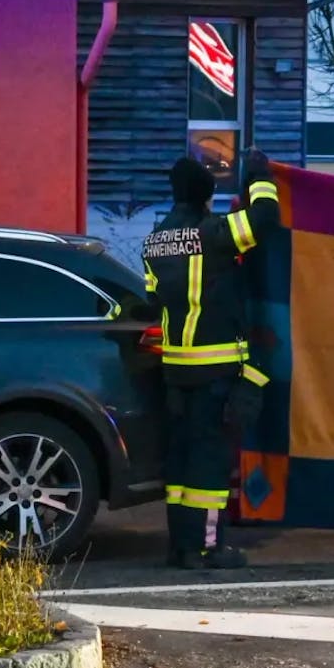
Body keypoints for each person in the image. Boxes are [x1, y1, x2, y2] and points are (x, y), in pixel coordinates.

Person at [141, 152, 281, 569]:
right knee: (209, 464)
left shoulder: (155, 240)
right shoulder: (213, 233)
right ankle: (207, 547)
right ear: (205, 196)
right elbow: (265, 219)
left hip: (175, 371)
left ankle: (181, 546)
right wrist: (259, 176)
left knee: (181, 462)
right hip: (215, 371)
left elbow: (154, 297)